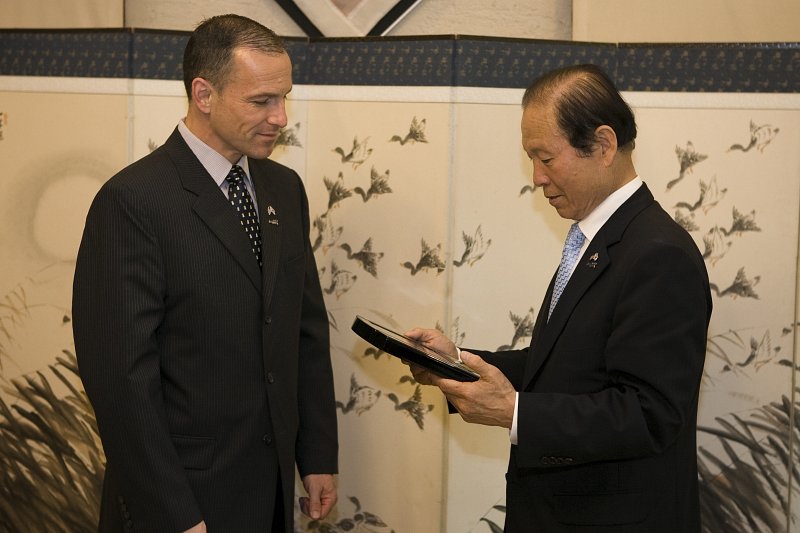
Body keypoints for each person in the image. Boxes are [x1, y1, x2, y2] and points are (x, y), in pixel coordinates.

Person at [407, 64, 711, 532]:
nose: (536, 177)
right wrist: (461, 365)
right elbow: (566, 369)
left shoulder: (657, 252)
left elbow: (649, 413)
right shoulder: (599, 238)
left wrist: (515, 412)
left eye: (546, 158)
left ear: (604, 145)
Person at [72, 14, 338, 533]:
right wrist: (175, 515)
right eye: (262, 100)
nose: (280, 117)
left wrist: (318, 454)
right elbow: (122, 381)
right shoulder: (133, 202)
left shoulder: (284, 189)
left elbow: (302, 332)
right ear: (204, 93)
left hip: (270, 491)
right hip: (180, 501)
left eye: (284, 97)